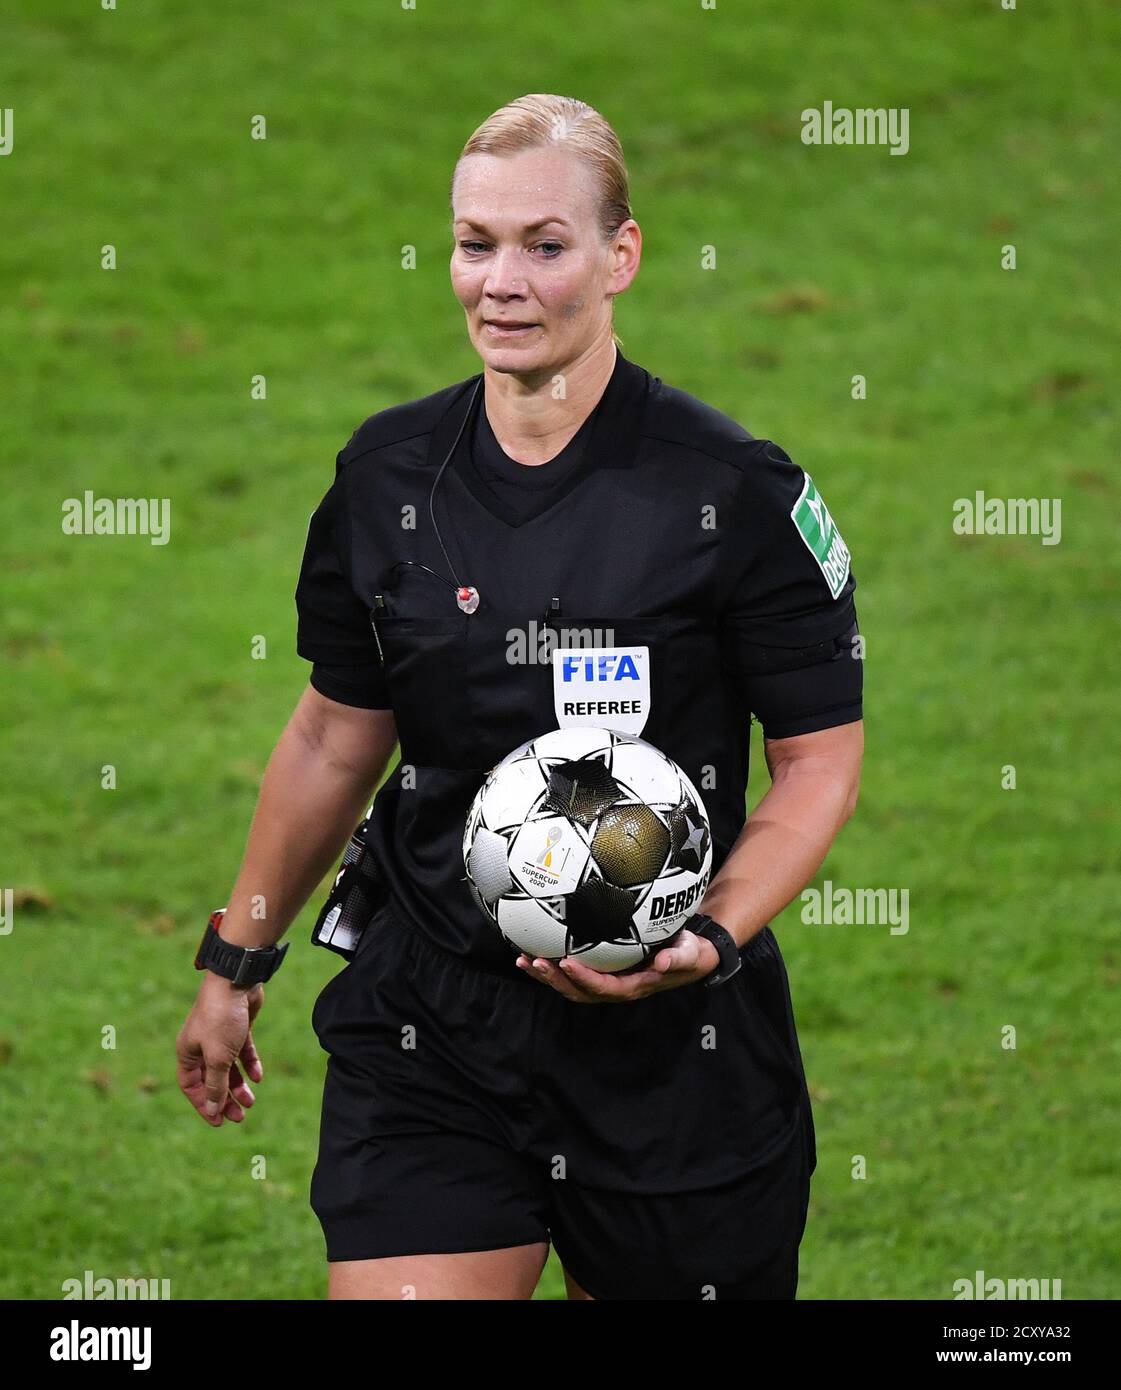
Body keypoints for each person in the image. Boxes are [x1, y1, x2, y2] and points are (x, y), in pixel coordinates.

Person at [176, 93, 864, 1301]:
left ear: (620, 255)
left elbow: (816, 763)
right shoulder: (386, 478)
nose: (499, 281)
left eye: (543, 245)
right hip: (432, 1019)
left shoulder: (733, 494)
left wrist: (706, 937)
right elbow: (337, 735)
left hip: (673, 1047)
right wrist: (234, 960)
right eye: (472, 242)